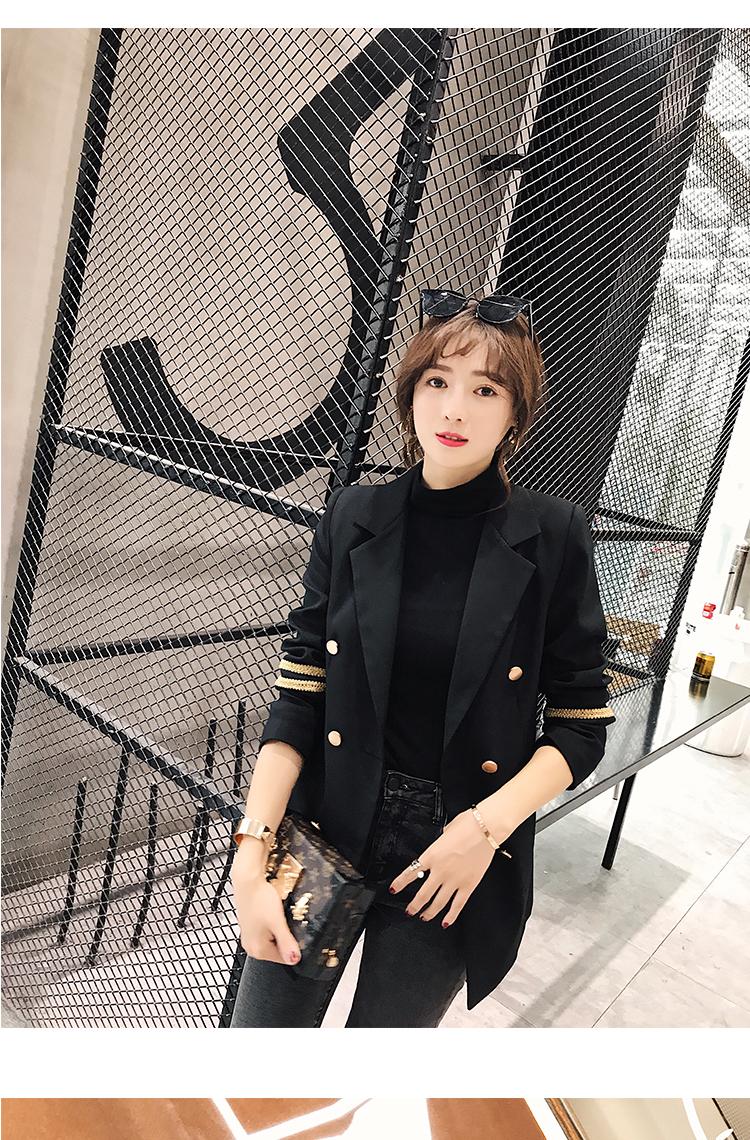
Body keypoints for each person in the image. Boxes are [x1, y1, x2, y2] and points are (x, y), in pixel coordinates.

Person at [229, 291, 616, 1027]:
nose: (454, 409)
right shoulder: (354, 516)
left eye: (485, 389)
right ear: (410, 394)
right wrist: (252, 848)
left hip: (452, 850)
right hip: (329, 822)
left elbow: (581, 723)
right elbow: (302, 688)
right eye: (437, 381)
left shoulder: (553, 536)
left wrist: (484, 829)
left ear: (515, 412)